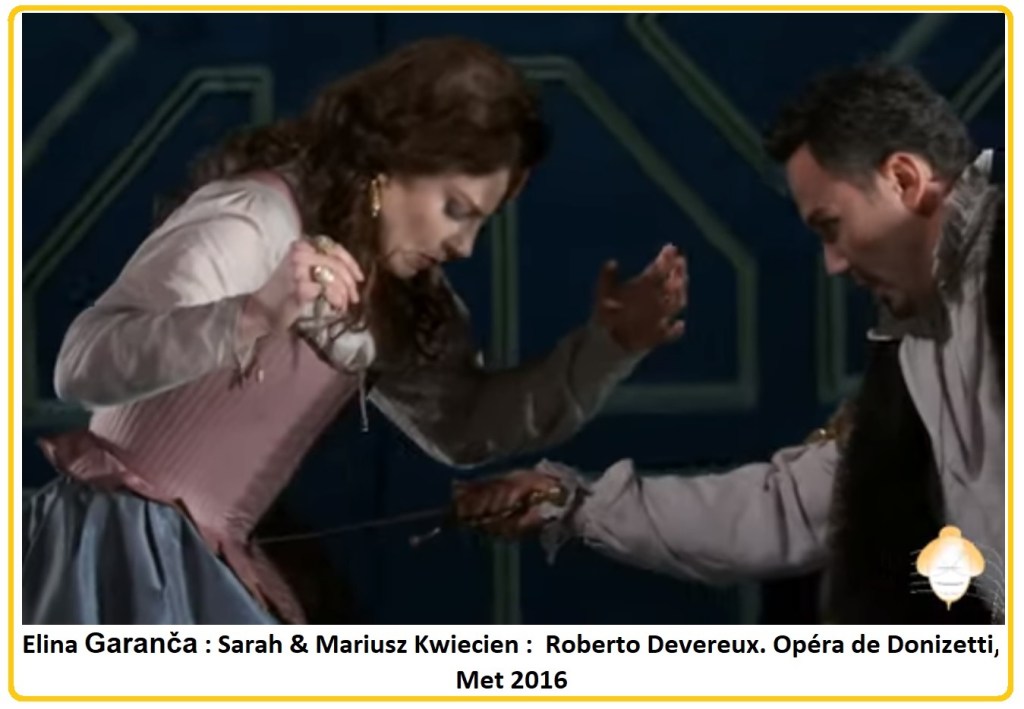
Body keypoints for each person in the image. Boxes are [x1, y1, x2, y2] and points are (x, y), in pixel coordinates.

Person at [22, 37, 687, 625]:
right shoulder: (256, 219)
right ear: (389, 162)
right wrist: (252, 313)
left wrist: (609, 346)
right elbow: (81, 366)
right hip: (106, 560)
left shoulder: (395, 292)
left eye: (481, 221)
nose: (463, 246)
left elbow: (465, 425)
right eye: (456, 209)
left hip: (213, 568)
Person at [454, 62, 1005, 624]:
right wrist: (569, 502)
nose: (835, 264)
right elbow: (790, 508)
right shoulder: (916, 339)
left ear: (905, 180)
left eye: (831, 226)